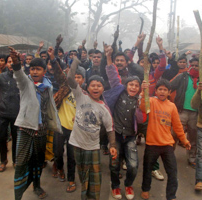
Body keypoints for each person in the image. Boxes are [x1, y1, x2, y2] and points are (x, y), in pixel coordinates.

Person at [9, 46, 62, 200]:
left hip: (43, 129)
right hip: (26, 128)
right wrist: (16, 61)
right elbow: (19, 75)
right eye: (32, 69)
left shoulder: (48, 87)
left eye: (38, 69)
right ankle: (17, 195)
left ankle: (37, 186)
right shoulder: (26, 83)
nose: (34, 72)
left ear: (44, 71)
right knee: (21, 162)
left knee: (38, 161)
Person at [67, 57, 117, 200]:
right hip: (76, 143)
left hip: (93, 147)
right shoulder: (80, 95)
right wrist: (75, 61)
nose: (96, 88)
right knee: (82, 174)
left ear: (103, 88)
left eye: (99, 86)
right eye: (93, 85)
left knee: (95, 177)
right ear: (87, 87)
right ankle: (85, 196)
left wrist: (112, 145)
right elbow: (70, 78)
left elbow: (110, 128)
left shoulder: (104, 108)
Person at [140, 79, 191, 200]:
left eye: (165, 90)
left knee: (172, 172)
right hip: (152, 144)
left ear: (169, 92)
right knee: (147, 169)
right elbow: (143, 108)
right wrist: (144, 91)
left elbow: (178, 125)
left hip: (167, 145)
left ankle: (171, 195)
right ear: (156, 91)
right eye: (160, 89)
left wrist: (184, 140)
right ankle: (145, 189)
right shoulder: (151, 101)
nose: (162, 92)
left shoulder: (172, 106)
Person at [103, 45, 142, 200]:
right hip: (116, 135)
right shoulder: (119, 91)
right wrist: (108, 56)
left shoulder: (140, 101)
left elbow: (143, 119)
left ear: (139, 88)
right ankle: (115, 187)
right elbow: (112, 74)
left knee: (133, 165)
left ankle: (128, 184)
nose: (133, 87)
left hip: (131, 136)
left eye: (136, 85)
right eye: (131, 84)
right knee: (114, 164)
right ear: (126, 86)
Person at [51, 47, 84, 193]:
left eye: (79, 77)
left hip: (75, 130)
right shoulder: (65, 87)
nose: (76, 79)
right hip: (60, 125)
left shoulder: (85, 95)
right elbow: (58, 73)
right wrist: (52, 58)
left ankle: (71, 179)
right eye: (74, 76)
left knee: (72, 157)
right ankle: (59, 168)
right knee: (58, 153)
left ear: (83, 80)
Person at [170, 57, 199, 168]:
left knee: (193, 136)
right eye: (193, 65)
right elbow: (170, 86)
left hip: (195, 113)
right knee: (175, 134)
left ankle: (192, 157)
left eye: (197, 65)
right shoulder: (182, 77)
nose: (195, 67)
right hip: (181, 111)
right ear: (189, 64)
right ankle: (169, 155)